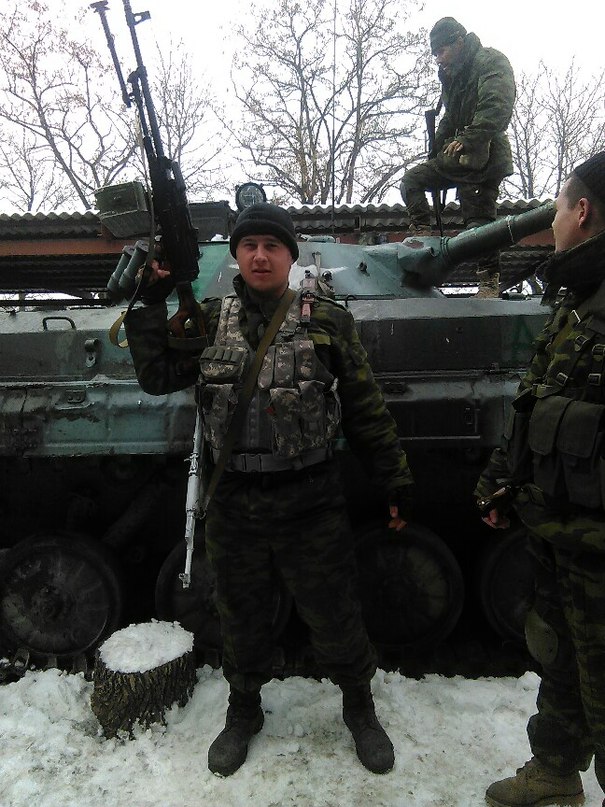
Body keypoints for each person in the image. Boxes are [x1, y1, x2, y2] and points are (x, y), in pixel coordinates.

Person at [124, 202, 414, 778]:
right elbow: (156, 377)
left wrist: (394, 478)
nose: (260, 256)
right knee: (240, 613)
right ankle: (243, 709)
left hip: (311, 496)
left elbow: (364, 406)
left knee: (335, 611)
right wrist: (151, 303)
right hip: (235, 497)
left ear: (291, 255)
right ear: (236, 254)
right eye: (250, 245)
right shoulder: (207, 320)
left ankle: (359, 706)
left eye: (272, 246)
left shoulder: (326, 320)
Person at [475, 151, 605, 807]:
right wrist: (503, 478)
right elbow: (535, 402)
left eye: (556, 207)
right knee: (560, 658)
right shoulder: (575, 301)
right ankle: (555, 768)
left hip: (598, 544)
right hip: (560, 532)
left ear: (581, 211)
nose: (551, 220)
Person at [400, 18, 516, 297]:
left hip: (485, 155)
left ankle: (489, 281)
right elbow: (450, 118)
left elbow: (496, 108)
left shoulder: (490, 62)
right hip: (456, 154)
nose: (438, 59)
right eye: (435, 54)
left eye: (441, 51)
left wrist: (467, 139)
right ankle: (422, 239)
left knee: (479, 221)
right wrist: (435, 151)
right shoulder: (452, 75)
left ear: (459, 42)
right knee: (412, 181)